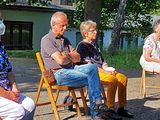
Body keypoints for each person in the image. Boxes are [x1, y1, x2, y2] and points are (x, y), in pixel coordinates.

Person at [40, 11, 120, 120]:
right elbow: (60, 60)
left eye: (66, 25)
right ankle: (97, 112)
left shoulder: (65, 40)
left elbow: (77, 57)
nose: (65, 28)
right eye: (62, 25)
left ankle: (97, 104)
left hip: (72, 68)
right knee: (91, 78)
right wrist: (69, 56)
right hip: (59, 73)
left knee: (92, 67)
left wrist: (66, 55)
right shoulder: (47, 40)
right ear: (53, 25)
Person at [76, 20, 134, 118]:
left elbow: (102, 61)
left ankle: (121, 108)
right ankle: (110, 109)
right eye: (92, 30)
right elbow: (90, 67)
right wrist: (106, 72)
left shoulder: (95, 44)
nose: (96, 32)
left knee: (123, 78)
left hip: (103, 70)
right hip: (93, 74)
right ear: (86, 34)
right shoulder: (82, 46)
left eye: (95, 30)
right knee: (112, 80)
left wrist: (107, 68)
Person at [0, 16, 35, 120]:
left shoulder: (1, 47)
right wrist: (8, 95)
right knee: (17, 111)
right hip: (3, 93)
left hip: (6, 90)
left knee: (30, 105)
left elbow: (9, 70)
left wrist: (14, 87)